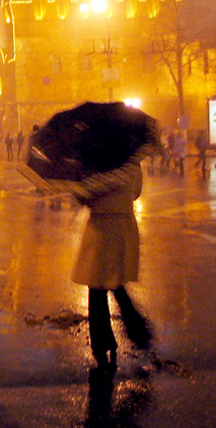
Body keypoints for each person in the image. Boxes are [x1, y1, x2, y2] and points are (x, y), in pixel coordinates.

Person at [71, 153, 152, 369]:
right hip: (124, 225)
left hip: (101, 227)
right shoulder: (131, 161)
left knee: (97, 288)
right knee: (115, 282)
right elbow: (136, 193)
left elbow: (83, 195)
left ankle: (103, 341)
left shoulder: (93, 163)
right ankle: (136, 327)